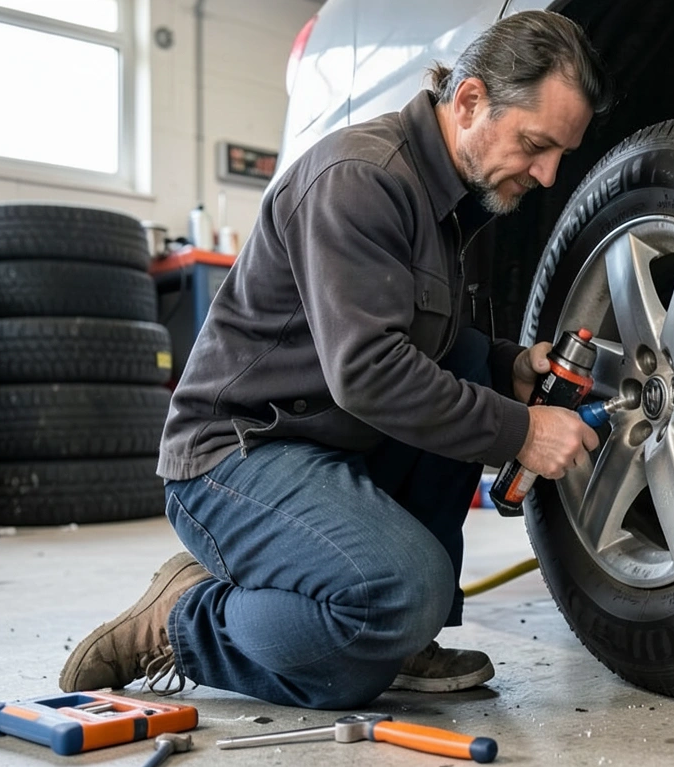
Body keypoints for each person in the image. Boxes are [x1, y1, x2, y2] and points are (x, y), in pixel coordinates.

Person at [59, 10, 612, 710]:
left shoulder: (449, 197)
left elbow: (425, 344)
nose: (549, 173)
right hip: (238, 455)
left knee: (471, 382)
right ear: (470, 100)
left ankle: (401, 642)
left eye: (560, 152)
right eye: (537, 144)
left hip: (326, 443)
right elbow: (370, 371)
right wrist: (524, 432)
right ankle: (185, 618)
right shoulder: (363, 179)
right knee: (390, 609)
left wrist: (510, 367)